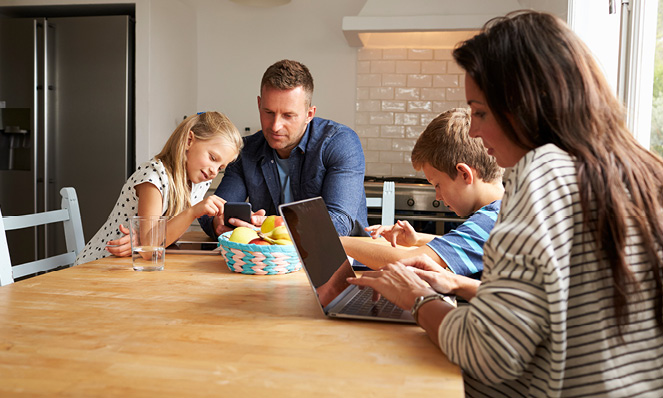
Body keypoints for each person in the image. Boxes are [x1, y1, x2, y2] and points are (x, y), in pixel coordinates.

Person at [347, 10, 663, 397]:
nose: (475, 132)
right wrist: (460, 285)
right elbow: (562, 308)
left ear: (527, 105)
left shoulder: (540, 178)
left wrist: (417, 298)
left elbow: (488, 351)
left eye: (480, 112)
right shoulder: (637, 169)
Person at [198, 59, 368, 238]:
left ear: (309, 114)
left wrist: (275, 224)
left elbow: (339, 223)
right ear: (259, 105)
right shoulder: (245, 151)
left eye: (288, 115)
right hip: (271, 263)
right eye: (268, 112)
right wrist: (218, 222)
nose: (275, 126)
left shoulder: (340, 142)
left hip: (342, 260)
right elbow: (215, 212)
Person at [340, 107, 503, 280]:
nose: (438, 197)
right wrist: (417, 239)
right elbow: (463, 245)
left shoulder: (490, 222)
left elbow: (406, 262)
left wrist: (339, 241)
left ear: (464, 174)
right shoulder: (500, 213)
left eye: (438, 185)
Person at [75, 112, 243, 264]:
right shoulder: (154, 177)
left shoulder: (199, 182)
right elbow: (150, 250)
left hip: (129, 265)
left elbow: (160, 238)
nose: (214, 171)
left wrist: (142, 241)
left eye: (221, 167)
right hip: (98, 264)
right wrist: (192, 212)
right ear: (189, 141)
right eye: (213, 158)